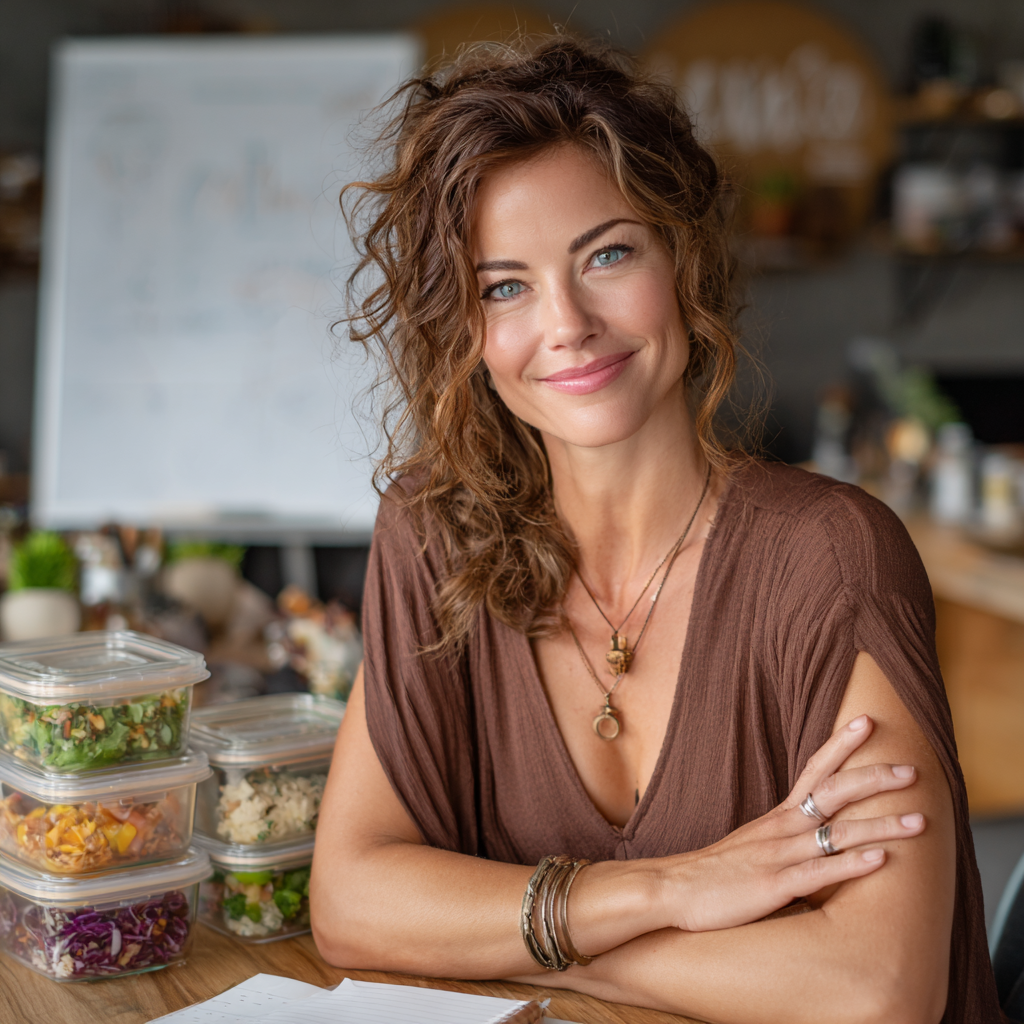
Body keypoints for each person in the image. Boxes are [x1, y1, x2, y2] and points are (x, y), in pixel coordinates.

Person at [310, 36, 1001, 1023]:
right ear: (464, 329)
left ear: (683, 258)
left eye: (606, 255)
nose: (567, 324)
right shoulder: (435, 533)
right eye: (504, 285)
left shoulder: (831, 555)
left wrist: (524, 948)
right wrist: (669, 891)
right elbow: (349, 900)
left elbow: (871, 988)